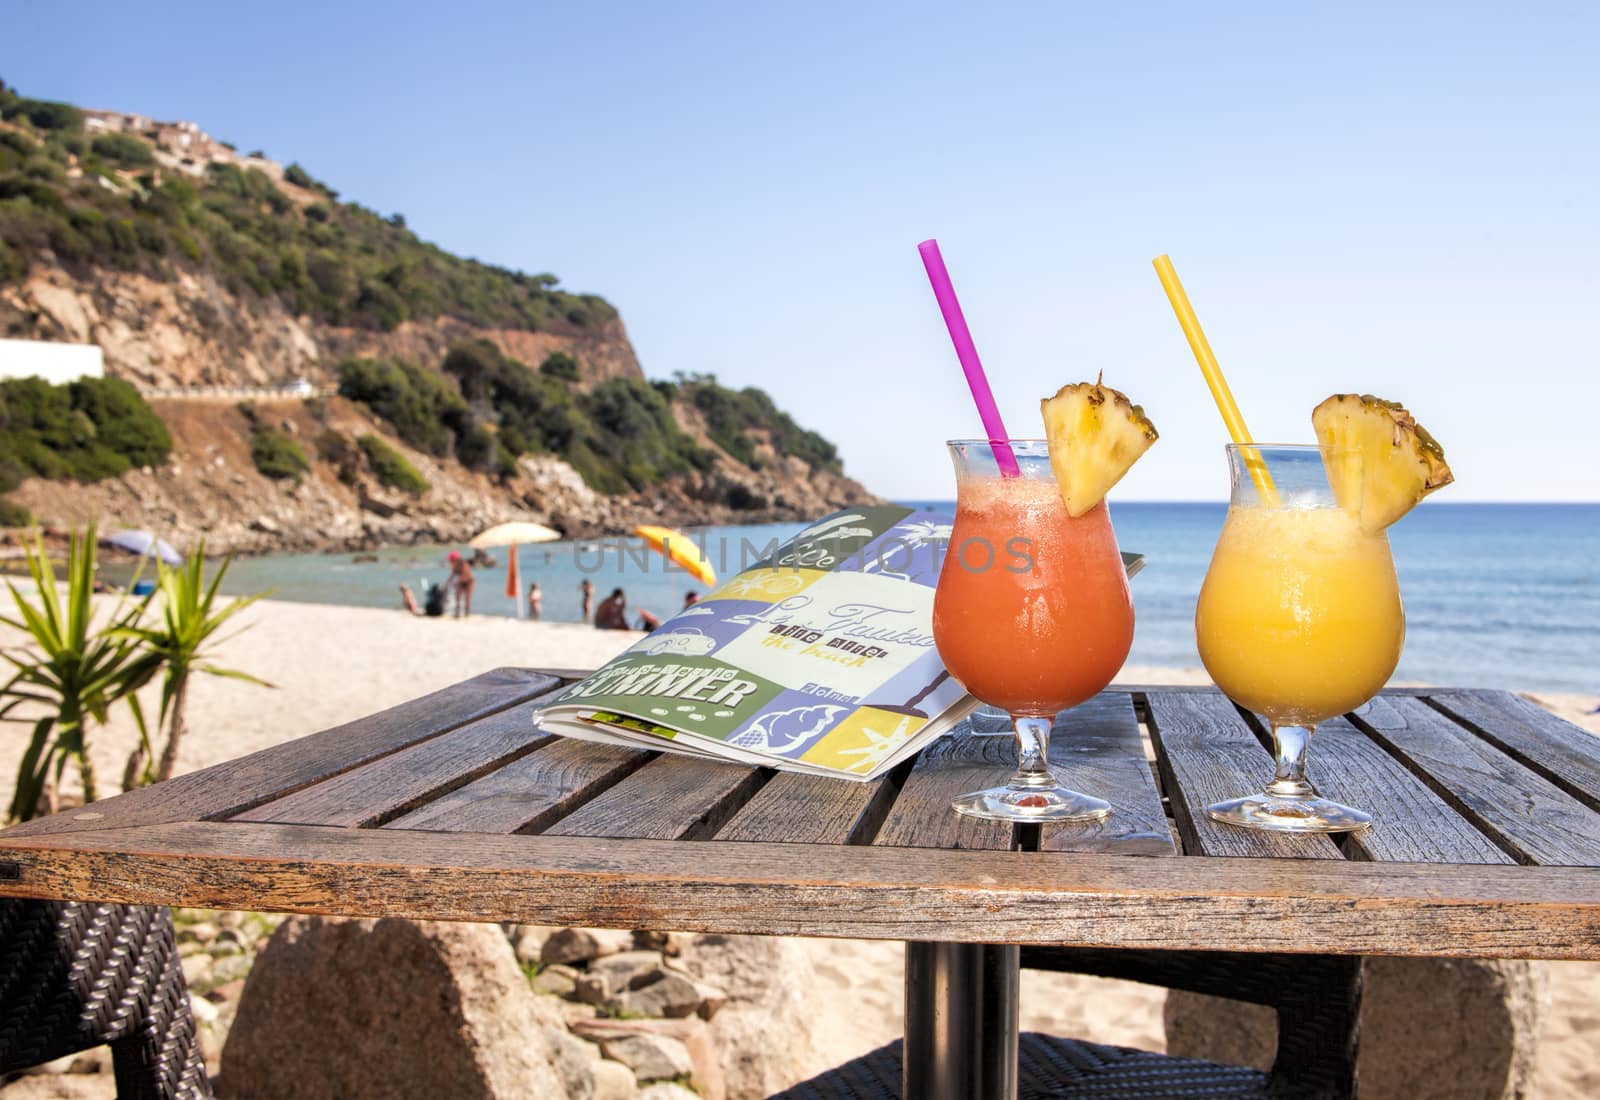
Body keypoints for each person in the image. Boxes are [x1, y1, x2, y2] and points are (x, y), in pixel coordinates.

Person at [446, 550, 475, 619]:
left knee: (467, 598)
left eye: (451, 560)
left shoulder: (463, 564)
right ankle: (457, 613)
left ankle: (466, 613)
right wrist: (447, 583)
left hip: (469, 581)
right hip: (461, 581)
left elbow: (465, 575)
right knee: (458, 597)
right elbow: (452, 575)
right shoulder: (454, 565)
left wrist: (457, 582)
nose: (451, 562)